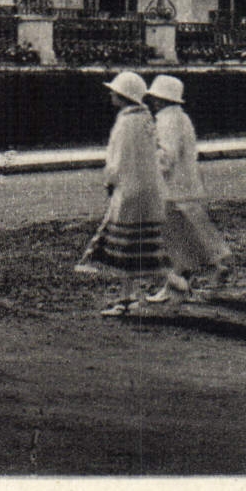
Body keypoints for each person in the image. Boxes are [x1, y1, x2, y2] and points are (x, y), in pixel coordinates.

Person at [74, 71, 170, 316]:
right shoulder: (147, 119)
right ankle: (168, 286)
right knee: (143, 245)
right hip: (150, 189)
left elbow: (117, 159)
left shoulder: (125, 123)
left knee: (127, 247)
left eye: (114, 91)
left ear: (124, 95)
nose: (110, 94)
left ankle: (127, 300)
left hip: (130, 190)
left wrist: (110, 181)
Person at [144, 75, 230, 301]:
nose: (153, 102)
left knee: (171, 238)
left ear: (160, 99)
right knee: (191, 231)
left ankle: (181, 282)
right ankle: (213, 265)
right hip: (186, 186)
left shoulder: (165, 120)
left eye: (154, 98)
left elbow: (166, 155)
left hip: (171, 189)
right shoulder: (182, 118)